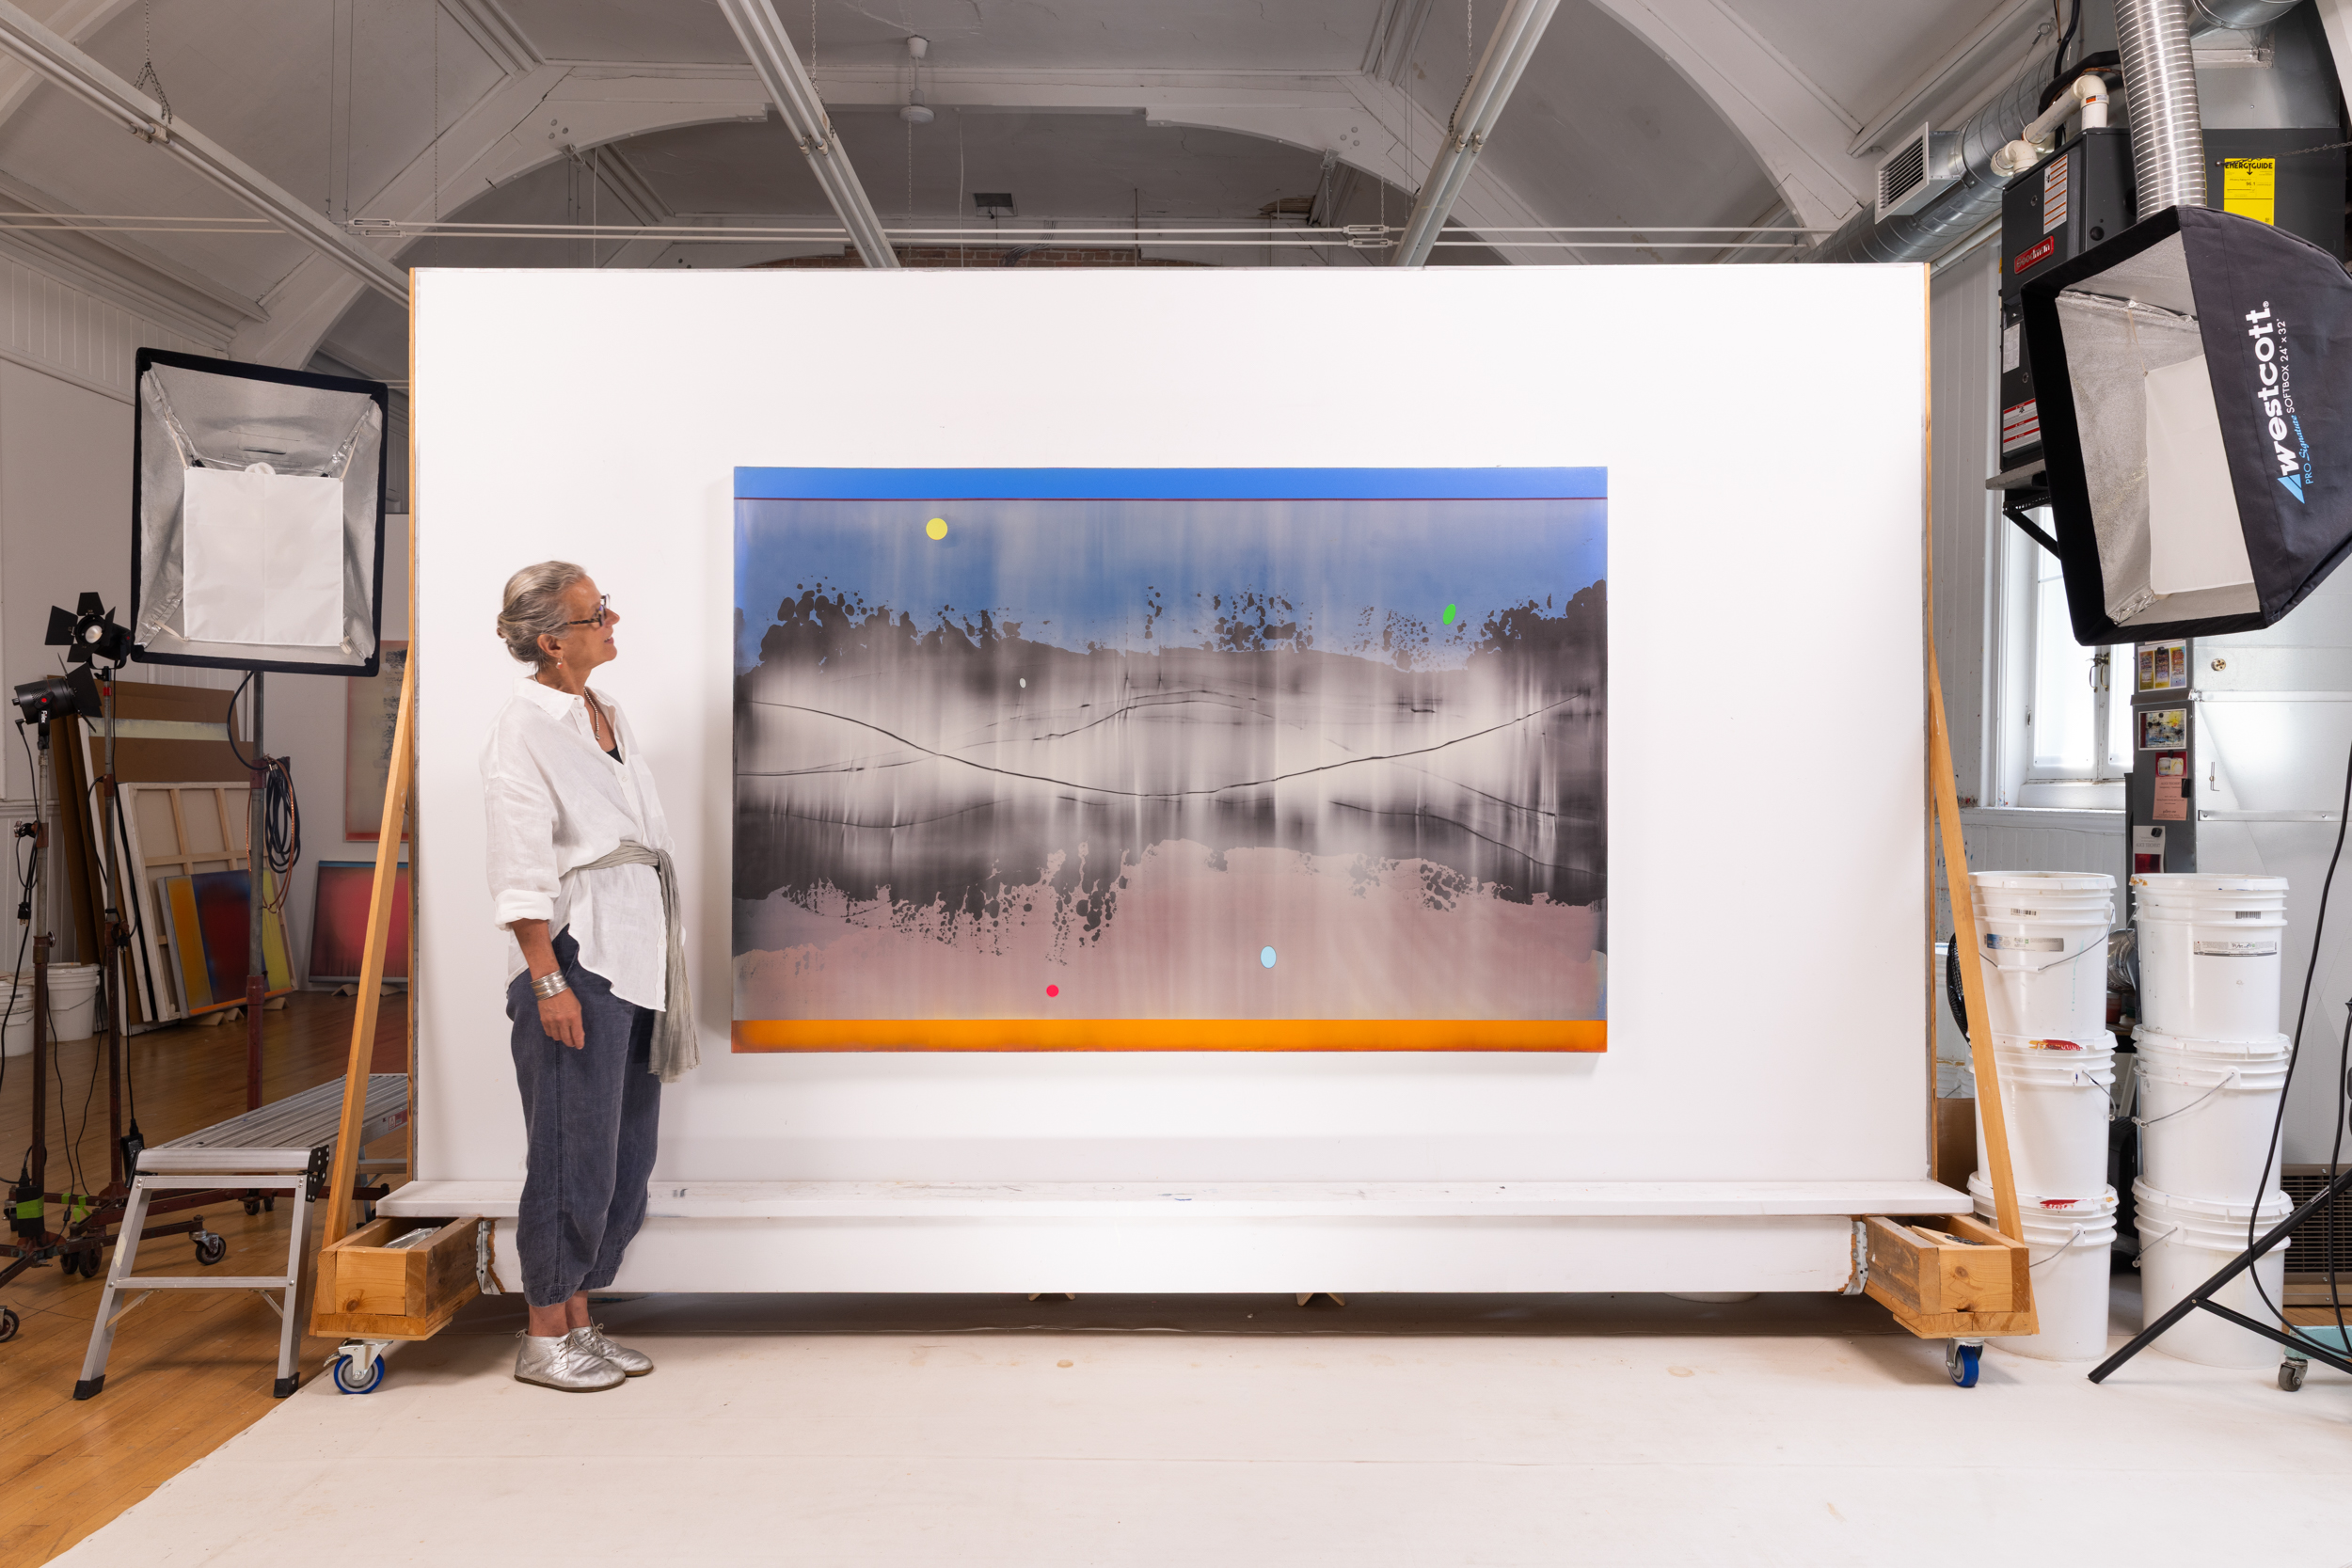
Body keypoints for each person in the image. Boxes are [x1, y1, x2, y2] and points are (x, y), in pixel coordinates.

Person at [483, 562, 697, 1392]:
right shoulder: (522, 730)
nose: (613, 620)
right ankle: (543, 1333)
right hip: (578, 958)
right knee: (570, 1151)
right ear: (552, 641)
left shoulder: (607, 713)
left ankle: (579, 1319)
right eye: (595, 613)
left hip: (636, 957)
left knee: (622, 1153)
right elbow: (518, 865)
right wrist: (547, 980)